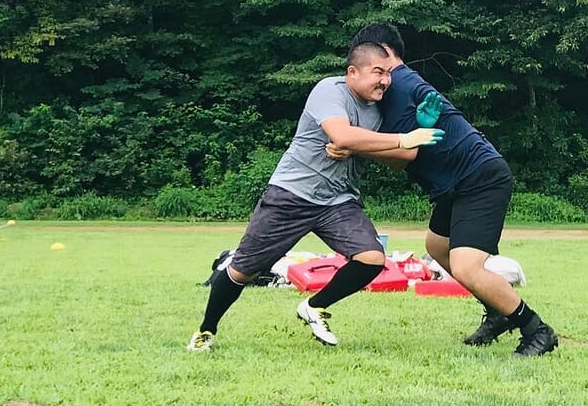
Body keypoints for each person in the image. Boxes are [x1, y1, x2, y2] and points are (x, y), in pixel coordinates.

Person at [186, 42, 443, 351]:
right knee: (243, 270)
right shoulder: (330, 90)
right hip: (292, 194)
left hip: (338, 200)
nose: (385, 81)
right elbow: (343, 135)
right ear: (352, 72)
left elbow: (400, 158)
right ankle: (206, 331)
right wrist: (390, 139)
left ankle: (315, 306)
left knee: (372, 258)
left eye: (388, 74)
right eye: (378, 72)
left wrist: (417, 131)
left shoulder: (377, 111)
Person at [343, 22, 559, 357]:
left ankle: (536, 329)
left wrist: (353, 146)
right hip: (454, 185)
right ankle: (497, 311)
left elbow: (405, 152)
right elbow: (403, 159)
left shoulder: (399, 85)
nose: (378, 79)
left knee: (466, 266)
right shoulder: (396, 87)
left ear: (384, 54)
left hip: (478, 178)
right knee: (437, 247)